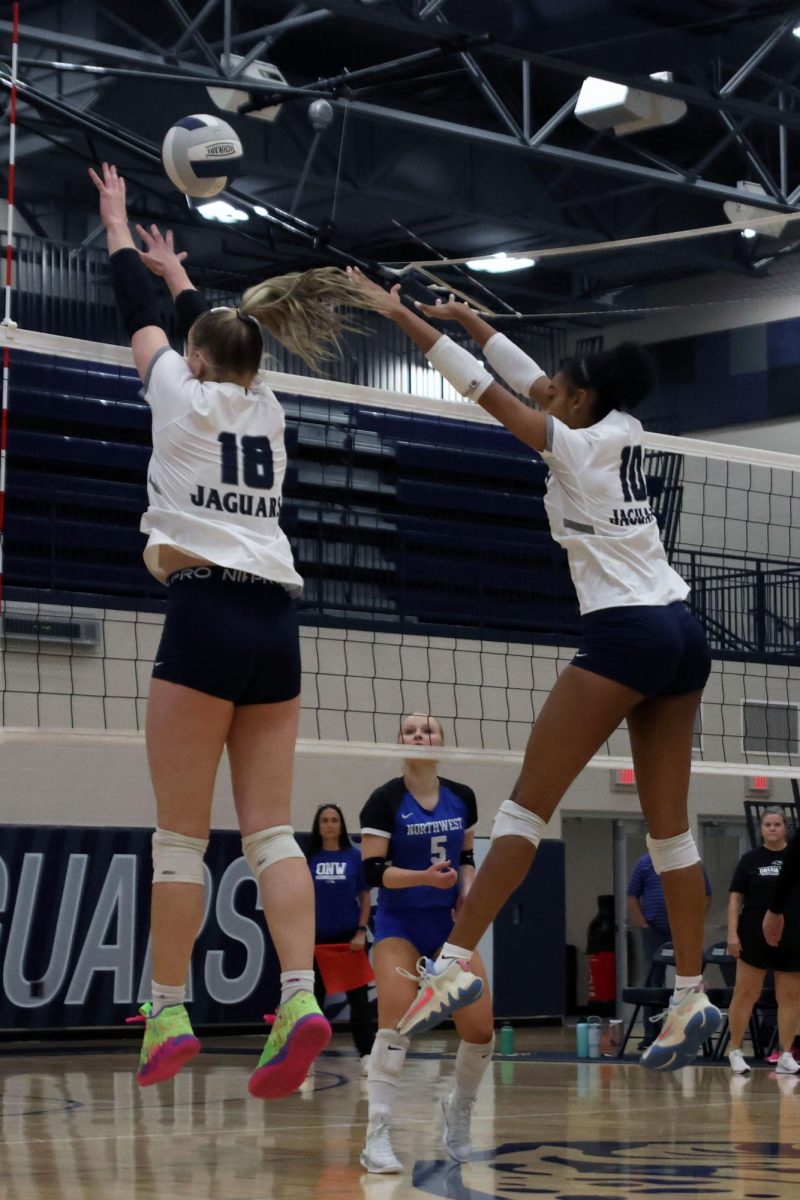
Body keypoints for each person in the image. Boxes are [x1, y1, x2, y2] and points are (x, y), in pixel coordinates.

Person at [346, 267, 720, 1072]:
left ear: (577, 401)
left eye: (559, 387)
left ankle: (448, 966)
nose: (547, 388)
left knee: (522, 810)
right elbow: (522, 373)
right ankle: (691, 995)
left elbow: (494, 394)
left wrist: (404, 318)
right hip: (684, 631)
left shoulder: (576, 448)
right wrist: (472, 318)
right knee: (672, 830)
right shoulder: (620, 425)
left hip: (626, 633)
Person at [89, 162, 380, 1098]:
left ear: (197, 361)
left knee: (180, 838)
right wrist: (185, 281)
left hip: (206, 611)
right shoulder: (269, 406)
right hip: (275, 622)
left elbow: (133, 305)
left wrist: (121, 225)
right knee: (273, 835)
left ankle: (167, 1011)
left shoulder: (176, 390)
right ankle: (298, 994)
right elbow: (213, 332)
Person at [358, 712, 494, 1174]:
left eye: (428, 730)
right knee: (395, 1025)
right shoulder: (384, 801)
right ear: (401, 742)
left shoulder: (462, 797)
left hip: (451, 930)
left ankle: (459, 1109)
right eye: (411, 731)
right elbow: (372, 872)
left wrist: (467, 889)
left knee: (479, 1031)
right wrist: (424, 879)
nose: (420, 735)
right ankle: (376, 1133)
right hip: (400, 924)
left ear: (440, 741)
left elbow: (469, 856)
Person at [726, 809, 800, 1075]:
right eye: (767, 824)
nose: (772, 828)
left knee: (790, 997)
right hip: (753, 935)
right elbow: (735, 899)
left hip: (791, 935)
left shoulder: (795, 856)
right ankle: (735, 1050)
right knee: (746, 993)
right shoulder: (749, 860)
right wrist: (732, 934)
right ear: (761, 829)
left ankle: (785, 1053)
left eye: (777, 824)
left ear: (786, 828)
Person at [306, 804, 375, 1071]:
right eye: (324, 820)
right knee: (311, 1002)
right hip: (316, 940)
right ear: (318, 825)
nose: (330, 825)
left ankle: (367, 1055)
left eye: (334, 820)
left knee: (359, 1003)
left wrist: (360, 930)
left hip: (349, 940)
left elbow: (365, 897)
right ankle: (307, 1056)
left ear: (341, 825)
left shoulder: (353, 857)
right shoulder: (309, 857)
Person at [627, 852, 712, 1048]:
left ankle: (690, 1033)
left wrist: (694, 919)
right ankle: (651, 1035)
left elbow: (706, 894)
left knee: (691, 981)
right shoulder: (644, 863)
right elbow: (632, 896)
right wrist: (643, 924)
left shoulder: (693, 862)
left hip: (685, 930)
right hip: (654, 931)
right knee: (652, 981)